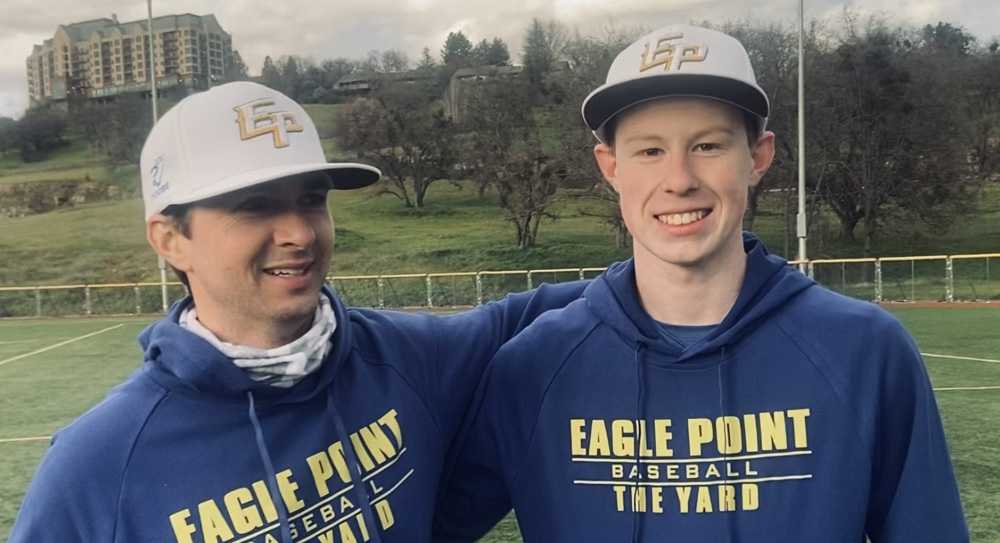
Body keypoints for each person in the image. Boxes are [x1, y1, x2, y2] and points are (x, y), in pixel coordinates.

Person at [433, 24, 968, 542]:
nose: (680, 180)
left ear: (758, 156)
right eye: (649, 151)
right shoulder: (534, 365)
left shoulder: (864, 351)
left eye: (708, 146)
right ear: (610, 166)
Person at [8, 81, 586, 543]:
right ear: (170, 239)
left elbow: (544, 312)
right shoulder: (96, 466)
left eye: (312, 199)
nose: (300, 232)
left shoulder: (404, 358)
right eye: (254, 206)